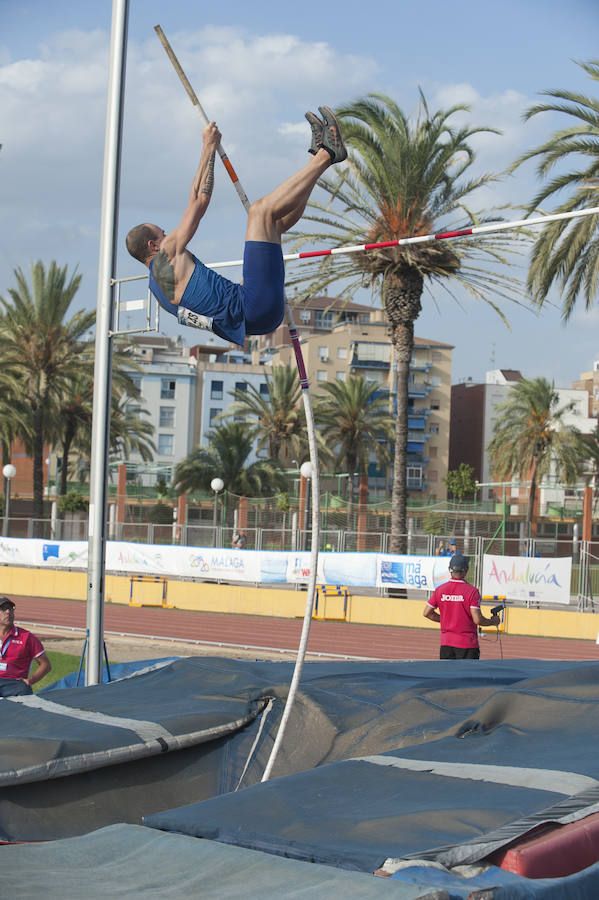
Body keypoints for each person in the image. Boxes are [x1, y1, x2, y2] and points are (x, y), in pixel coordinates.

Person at [126, 106, 347, 347]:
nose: (169, 234)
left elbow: (210, 309)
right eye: (163, 233)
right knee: (259, 212)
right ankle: (328, 154)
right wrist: (207, 147)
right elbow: (198, 200)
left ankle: (316, 157)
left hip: (257, 318)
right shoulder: (166, 255)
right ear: (153, 245)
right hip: (252, 304)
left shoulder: (157, 292)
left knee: (275, 225)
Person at [423, 555, 500, 659]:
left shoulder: (440, 590)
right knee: (468, 675)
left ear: (449, 570)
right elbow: (477, 619)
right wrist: (493, 622)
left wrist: (447, 620)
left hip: (446, 644)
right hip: (467, 645)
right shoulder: (472, 592)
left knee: (447, 675)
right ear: (466, 570)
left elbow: (426, 613)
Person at [0, 597, 51, 697]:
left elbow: (46, 665)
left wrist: (30, 681)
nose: (8, 612)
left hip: (14, 684)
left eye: (10, 609)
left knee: (24, 689)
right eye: (3, 608)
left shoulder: (26, 637)